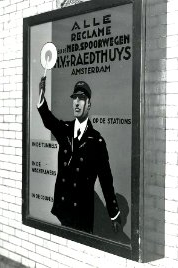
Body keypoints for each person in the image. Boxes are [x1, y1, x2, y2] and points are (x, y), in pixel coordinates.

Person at [37, 77, 121, 233]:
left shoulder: (97, 141)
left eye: (81, 99)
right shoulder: (65, 129)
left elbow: (106, 180)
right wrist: (41, 95)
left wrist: (114, 214)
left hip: (82, 214)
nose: (76, 102)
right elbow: (48, 120)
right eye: (74, 98)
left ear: (89, 104)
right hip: (62, 211)